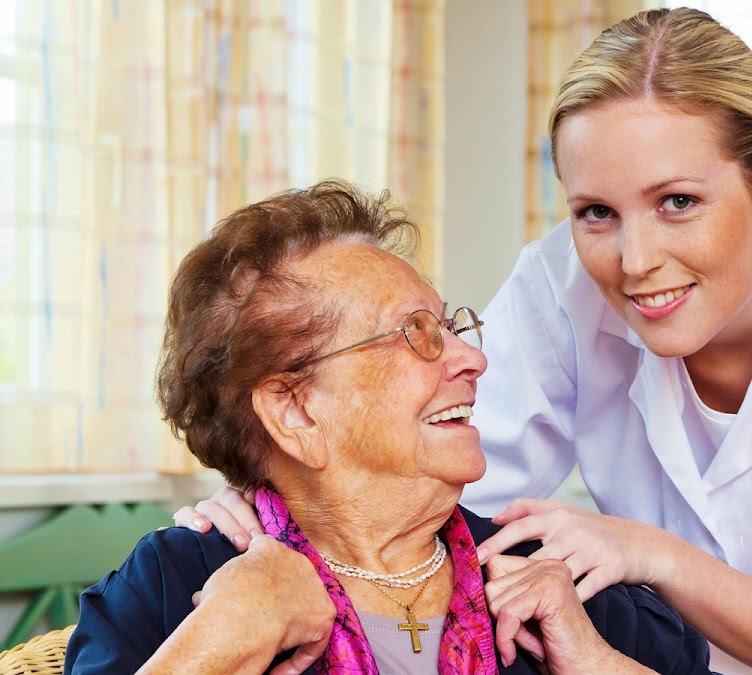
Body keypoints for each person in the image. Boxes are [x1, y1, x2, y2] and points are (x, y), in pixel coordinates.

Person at [176, 8, 752, 674]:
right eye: (597, 212)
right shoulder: (562, 286)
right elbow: (431, 481)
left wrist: (649, 551)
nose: (635, 262)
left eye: (678, 201)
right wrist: (276, 500)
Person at [66, 181, 711, 674]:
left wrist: (598, 663)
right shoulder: (177, 589)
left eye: (450, 327)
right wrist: (223, 635)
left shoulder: (554, 587)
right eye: (416, 335)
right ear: (295, 412)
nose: (474, 358)